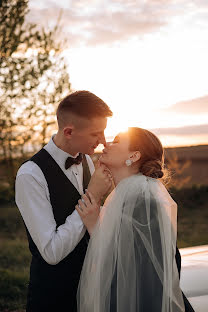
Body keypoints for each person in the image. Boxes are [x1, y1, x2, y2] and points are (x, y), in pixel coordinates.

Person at [76, 127, 195, 312]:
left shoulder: (142, 200)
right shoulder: (128, 194)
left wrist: (94, 227)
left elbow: (132, 268)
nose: (107, 143)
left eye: (116, 141)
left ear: (134, 155)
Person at [15, 90, 113, 312]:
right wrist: (93, 195)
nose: (103, 141)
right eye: (96, 134)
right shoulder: (30, 175)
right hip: (53, 297)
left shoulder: (87, 160)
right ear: (69, 131)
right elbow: (51, 252)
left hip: (90, 290)